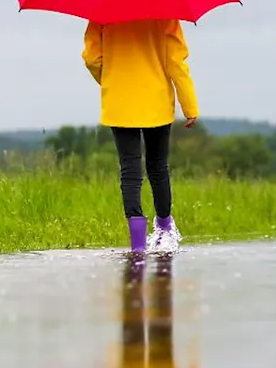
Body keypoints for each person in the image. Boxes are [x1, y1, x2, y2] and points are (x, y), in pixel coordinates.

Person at [82, 18, 199, 253]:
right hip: (155, 100)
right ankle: (165, 230)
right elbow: (175, 60)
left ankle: (137, 244)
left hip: (119, 101)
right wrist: (189, 105)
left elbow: (92, 58)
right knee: (157, 166)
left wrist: (110, 80)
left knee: (130, 169)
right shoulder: (166, 13)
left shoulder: (102, 14)